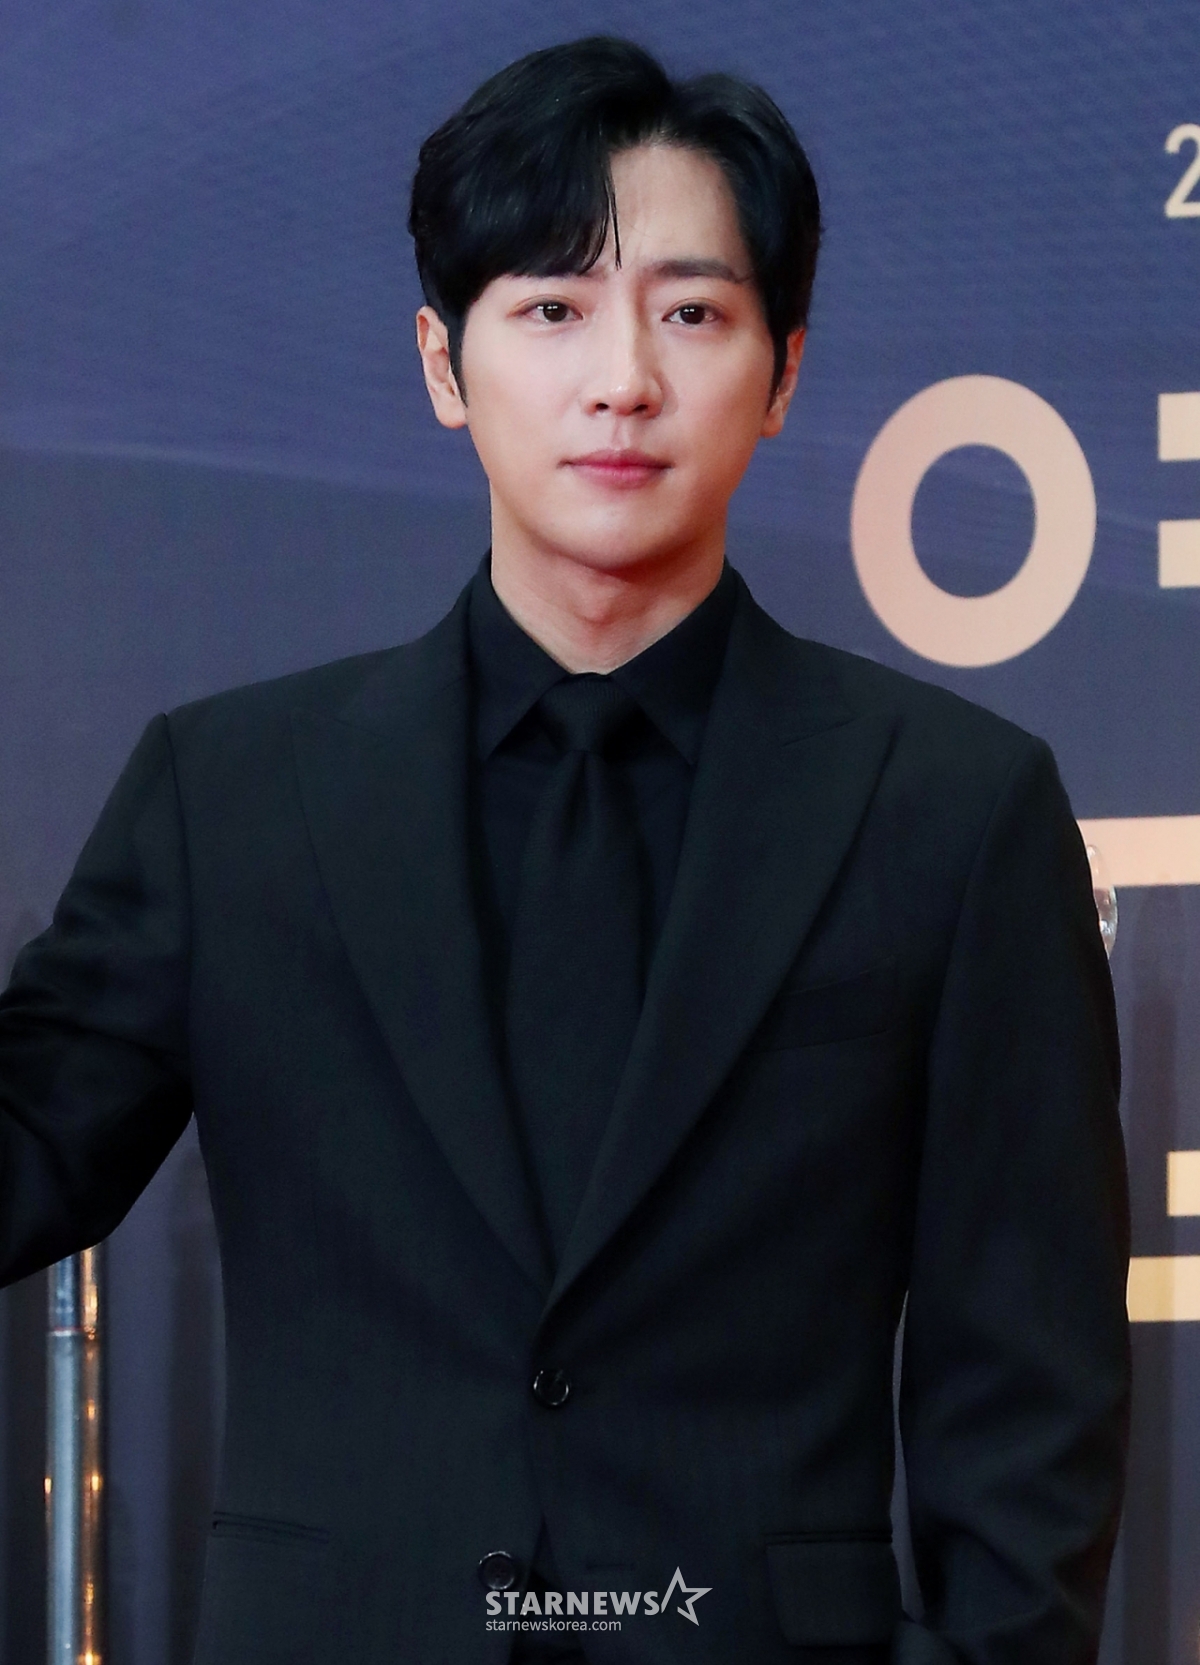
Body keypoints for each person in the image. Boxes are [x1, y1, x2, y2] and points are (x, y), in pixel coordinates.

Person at [0, 35, 1127, 1665]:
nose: (623, 380)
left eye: (692, 313)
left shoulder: (953, 808)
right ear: (443, 364)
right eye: (551, 308)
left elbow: (1029, 1388)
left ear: (784, 370)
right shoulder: (232, 794)